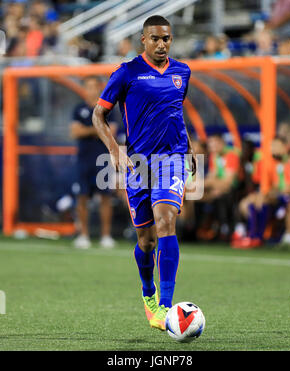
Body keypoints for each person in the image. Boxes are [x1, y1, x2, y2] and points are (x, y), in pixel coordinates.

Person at [93, 15, 196, 331]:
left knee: (166, 221)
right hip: (137, 165)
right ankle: (148, 291)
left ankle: (166, 307)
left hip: (172, 160)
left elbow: (175, 113)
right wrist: (114, 149)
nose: (162, 44)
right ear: (143, 39)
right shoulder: (127, 73)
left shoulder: (182, 72)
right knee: (147, 241)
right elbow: (99, 114)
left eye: (167, 38)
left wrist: (189, 149)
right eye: (155, 38)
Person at [70, 76, 117, 249]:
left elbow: (111, 131)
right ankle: (84, 235)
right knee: (81, 197)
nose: (91, 90)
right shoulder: (78, 109)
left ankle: (106, 236)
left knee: (105, 197)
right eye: (88, 87)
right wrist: (97, 129)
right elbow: (74, 132)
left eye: (94, 86)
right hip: (84, 159)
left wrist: (88, 130)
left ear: (99, 89)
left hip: (103, 158)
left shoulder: (108, 108)